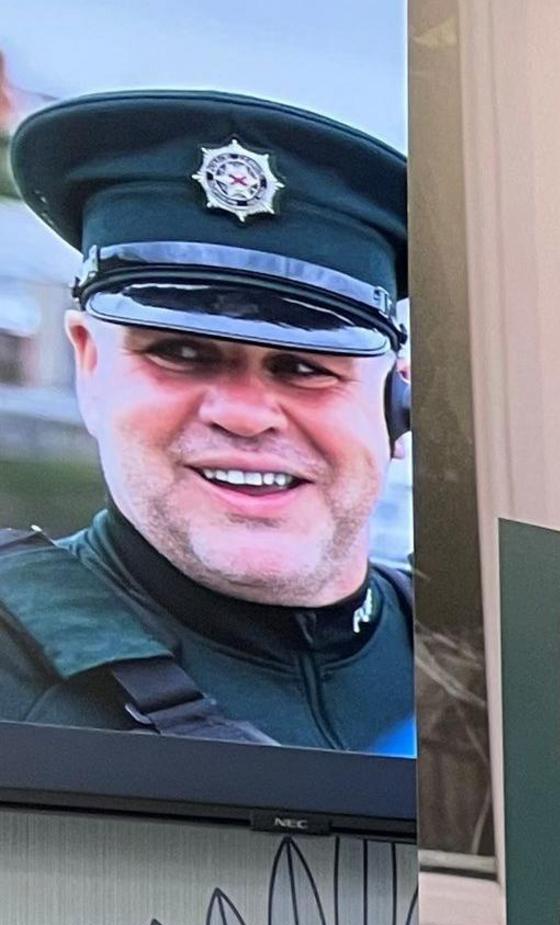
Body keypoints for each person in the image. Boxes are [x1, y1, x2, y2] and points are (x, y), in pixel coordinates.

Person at [0, 91, 412, 749]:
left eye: (304, 367)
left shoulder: (512, 677)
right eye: (180, 353)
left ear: (397, 398)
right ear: (90, 367)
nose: (244, 416)